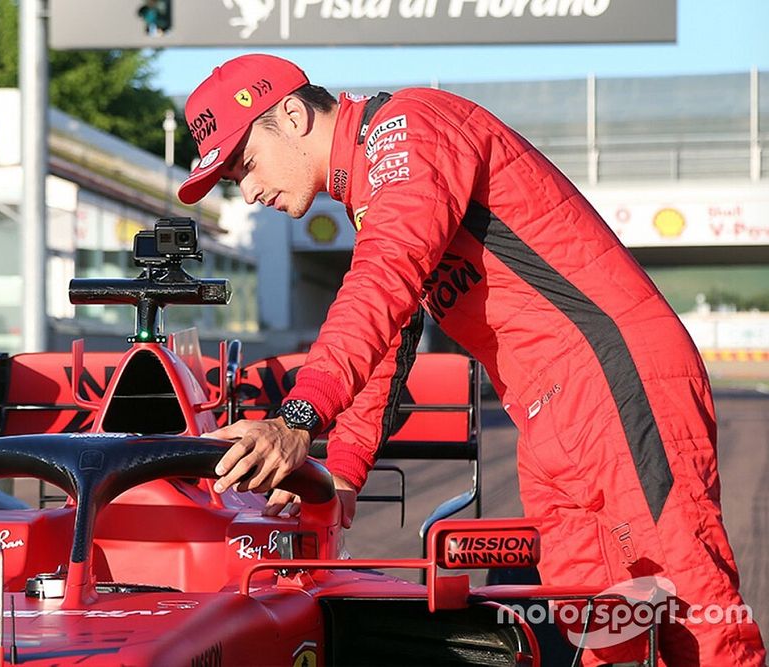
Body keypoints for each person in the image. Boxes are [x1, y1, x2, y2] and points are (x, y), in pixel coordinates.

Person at [177, 53, 766, 666]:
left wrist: (295, 420)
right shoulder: (373, 189)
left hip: (613, 379)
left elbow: (382, 281)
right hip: (550, 412)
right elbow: (390, 331)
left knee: (692, 610)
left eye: (244, 165)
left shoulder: (406, 128)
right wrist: (344, 472)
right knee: (599, 630)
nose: (246, 192)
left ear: (293, 115)